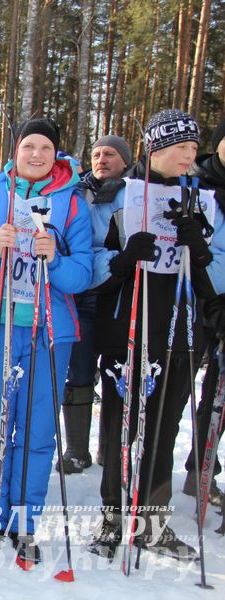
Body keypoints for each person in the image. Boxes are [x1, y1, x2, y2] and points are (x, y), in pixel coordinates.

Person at [88, 109, 225, 561]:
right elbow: (94, 268)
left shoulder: (204, 198)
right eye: (180, 147)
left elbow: (212, 273)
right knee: (118, 427)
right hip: (127, 322)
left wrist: (200, 250)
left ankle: (151, 521)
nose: (190, 156)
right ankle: (112, 518)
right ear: (156, 148)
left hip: (179, 326)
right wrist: (124, 259)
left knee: (165, 425)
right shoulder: (122, 196)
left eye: (192, 148)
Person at [0, 118, 92, 562]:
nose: (36, 154)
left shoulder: (72, 204)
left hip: (49, 334)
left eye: (45, 148)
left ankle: (25, 521)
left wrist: (54, 256)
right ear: (15, 150)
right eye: (28, 146)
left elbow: (82, 276)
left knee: (36, 434)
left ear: (57, 155)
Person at [56, 134, 132, 474]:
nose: (101, 159)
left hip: (120, 297)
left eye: (110, 154)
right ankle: (76, 448)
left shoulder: (135, 194)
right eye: (97, 153)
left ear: (125, 161)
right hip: (81, 294)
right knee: (80, 369)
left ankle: (112, 447)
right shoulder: (78, 192)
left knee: (117, 372)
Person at [182, 117, 225, 508]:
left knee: (218, 393)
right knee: (179, 385)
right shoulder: (196, 183)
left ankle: (203, 469)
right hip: (194, 300)